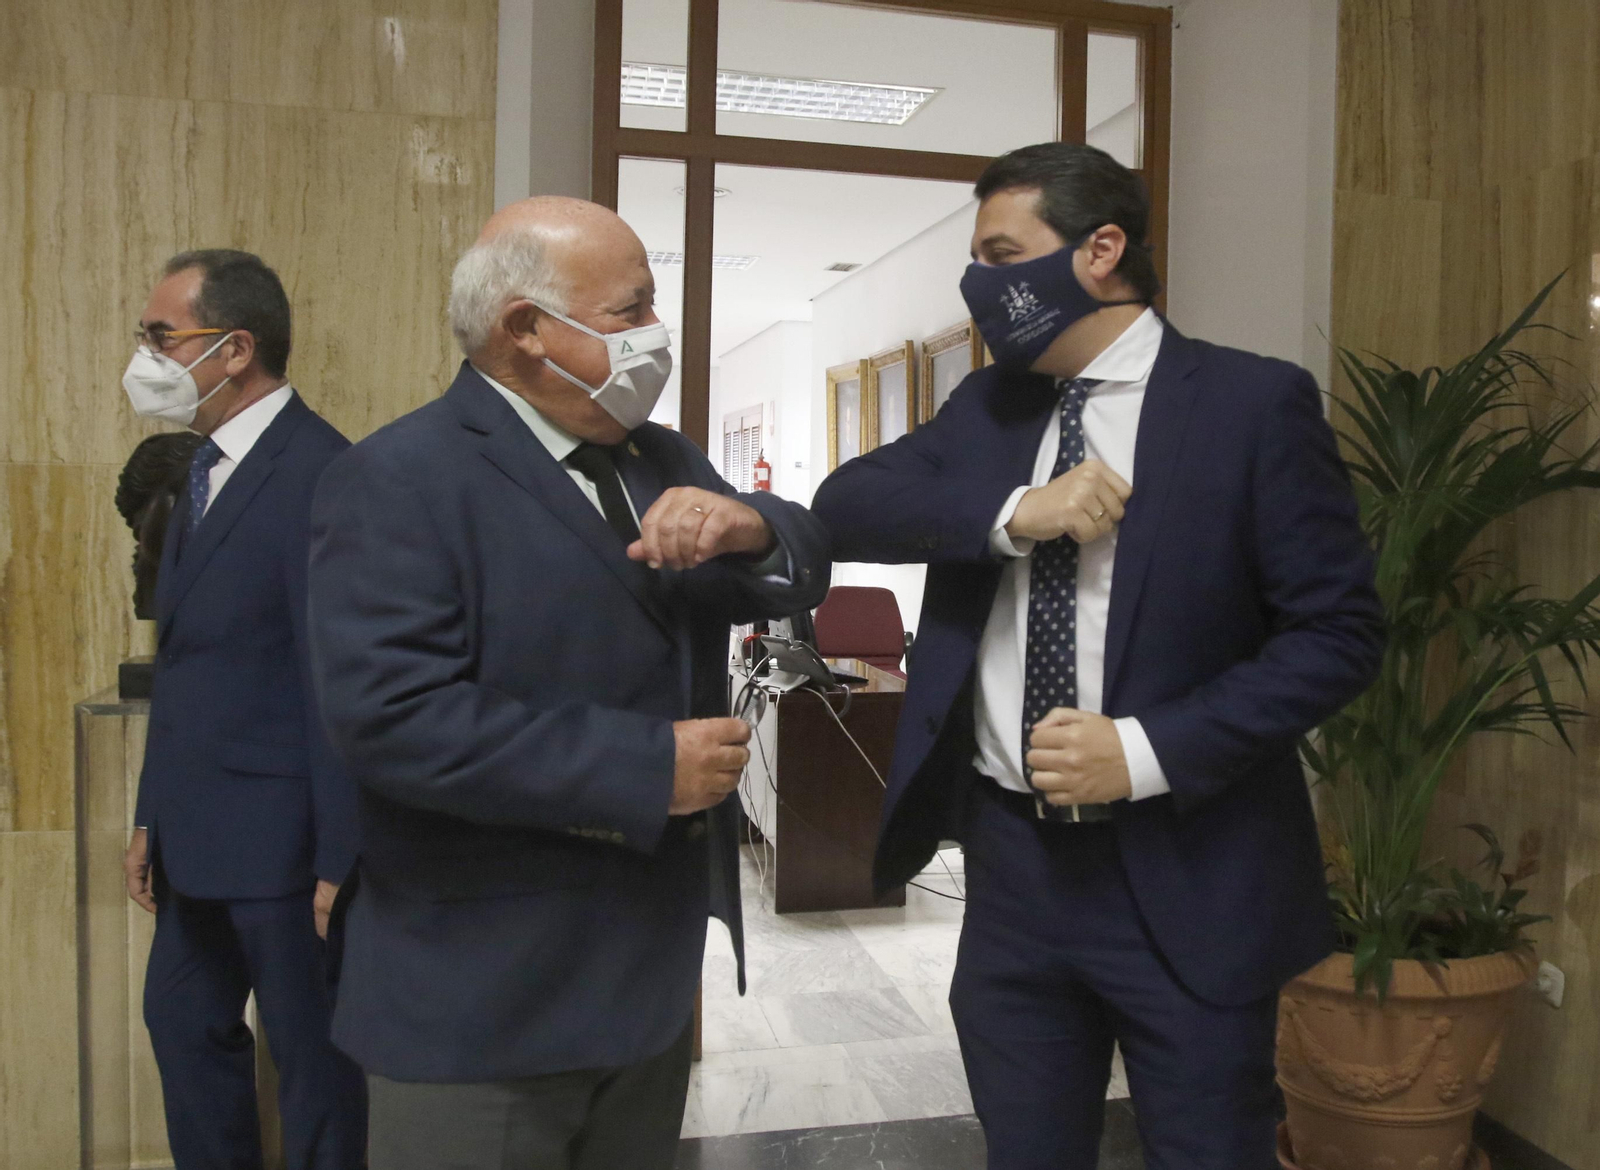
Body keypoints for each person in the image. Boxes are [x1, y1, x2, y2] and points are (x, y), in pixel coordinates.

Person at [812, 143, 1385, 1170]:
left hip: (1192, 875)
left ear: (1100, 249)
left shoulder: (1249, 407)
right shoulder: (988, 411)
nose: (979, 285)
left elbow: (1337, 635)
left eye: (999, 254)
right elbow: (844, 503)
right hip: (1012, 878)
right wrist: (1009, 512)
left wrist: (1147, 748)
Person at [306, 196, 831, 1170]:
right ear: (524, 331)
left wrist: (751, 524)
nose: (655, 336)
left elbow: (801, 557)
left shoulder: (659, 458)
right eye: (631, 311)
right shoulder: (398, 478)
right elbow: (392, 719)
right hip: (482, 1000)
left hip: (644, 983)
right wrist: (645, 768)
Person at [121, 250, 367, 1169]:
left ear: (234, 350)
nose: (145, 356)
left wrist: (340, 857)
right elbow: (186, 662)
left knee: (314, 1072)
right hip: (193, 838)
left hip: (289, 850)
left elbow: (336, 676)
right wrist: (150, 813)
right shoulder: (198, 468)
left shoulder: (323, 471)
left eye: (160, 337)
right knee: (182, 1028)